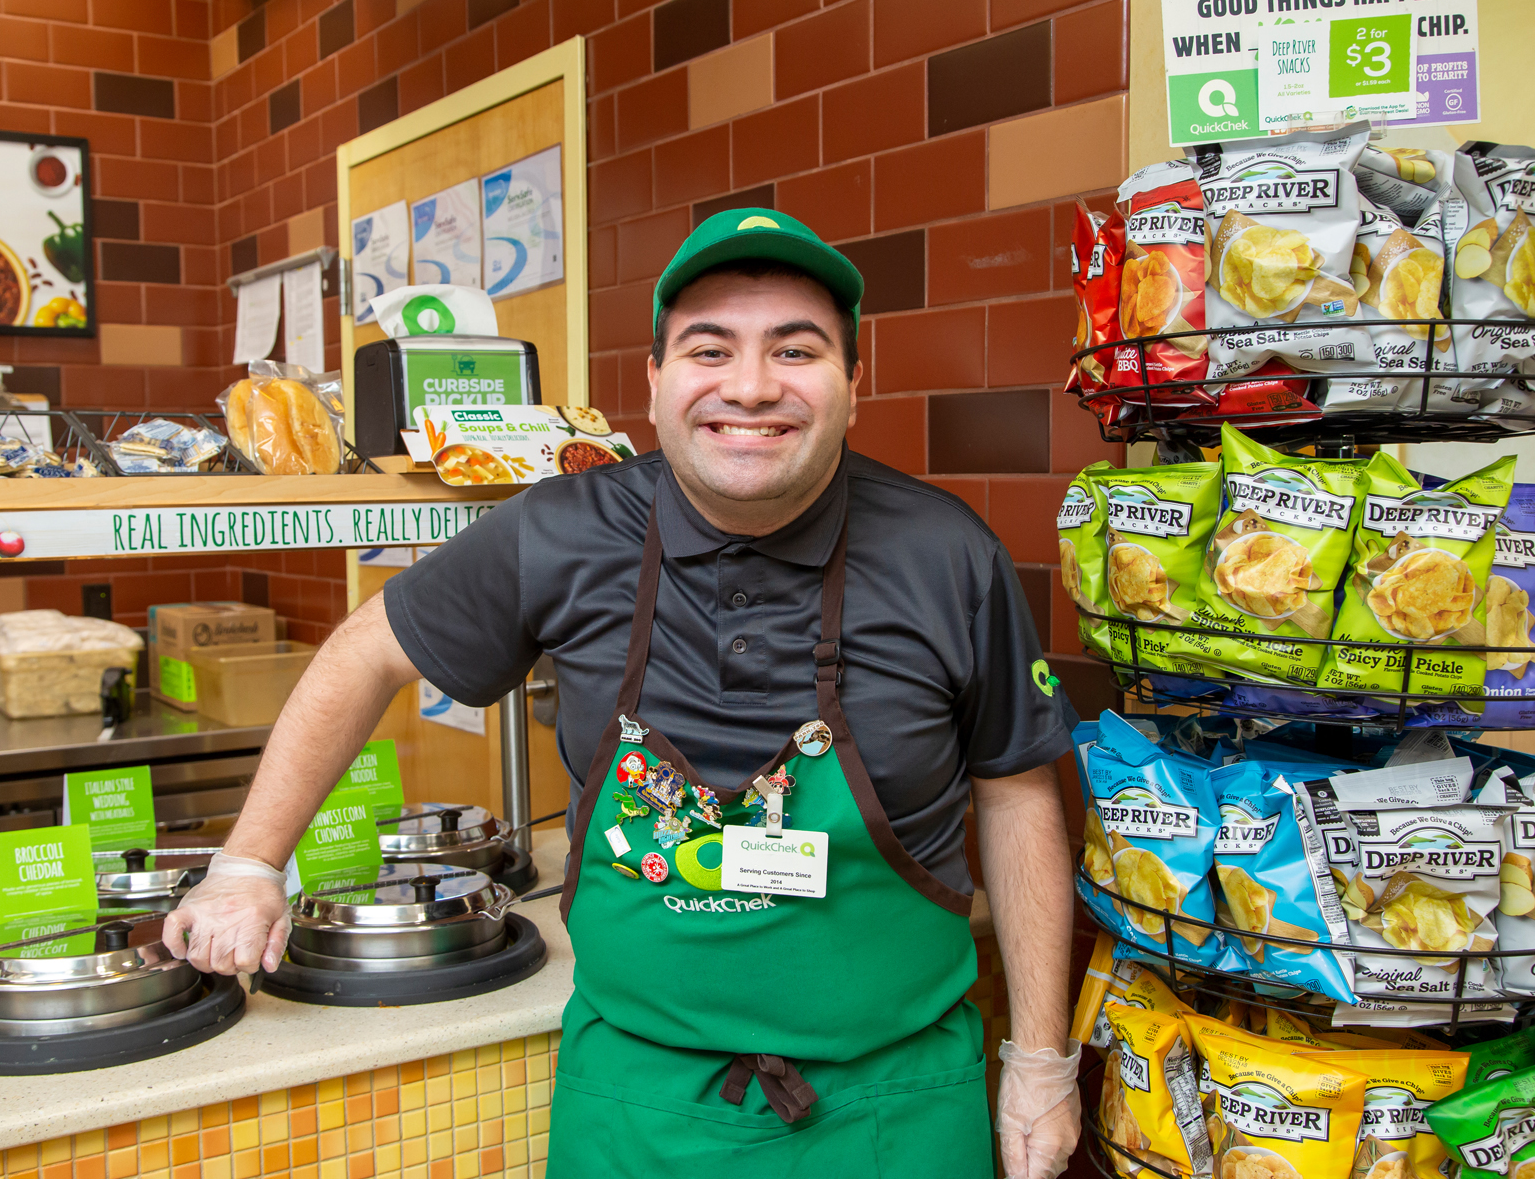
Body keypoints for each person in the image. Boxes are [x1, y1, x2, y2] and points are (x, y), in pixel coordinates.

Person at [164, 208, 1084, 1178]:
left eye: (797, 349)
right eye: (709, 348)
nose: (751, 385)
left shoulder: (949, 555)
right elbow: (364, 652)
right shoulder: (562, 531)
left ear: (855, 383)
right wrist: (248, 865)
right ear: (653, 381)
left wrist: (1040, 1059)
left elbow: (1017, 793)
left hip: (895, 1114)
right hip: (635, 1113)